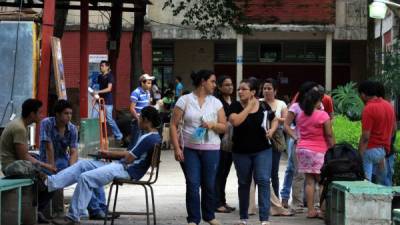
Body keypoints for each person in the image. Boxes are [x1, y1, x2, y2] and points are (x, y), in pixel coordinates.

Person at [49, 106, 162, 225]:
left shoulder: (149, 138)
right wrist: (108, 155)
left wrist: (108, 155)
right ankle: (49, 183)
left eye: (140, 118)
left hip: (126, 170)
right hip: (123, 166)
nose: (137, 120)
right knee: (83, 164)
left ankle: (73, 217)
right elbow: (130, 155)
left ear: (147, 120)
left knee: (85, 178)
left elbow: (128, 158)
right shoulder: (151, 136)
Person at [170, 70, 226, 225]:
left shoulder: (216, 102)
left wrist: (213, 124)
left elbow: (224, 127)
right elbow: (173, 125)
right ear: (203, 82)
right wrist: (176, 148)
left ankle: (209, 216)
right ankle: (193, 219)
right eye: (213, 81)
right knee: (193, 184)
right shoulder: (184, 100)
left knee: (209, 184)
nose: (215, 85)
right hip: (190, 149)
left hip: (212, 149)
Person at [39, 99, 108, 220]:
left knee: (91, 171)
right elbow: (48, 147)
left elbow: (74, 151)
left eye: (70, 113)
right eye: (66, 113)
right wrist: (51, 166)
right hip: (47, 160)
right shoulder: (47, 123)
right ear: (57, 114)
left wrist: (72, 168)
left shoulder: (72, 129)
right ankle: (95, 210)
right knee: (81, 173)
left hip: (64, 160)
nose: (69, 116)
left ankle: (101, 208)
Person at [229, 78, 278, 225]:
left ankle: (264, 219)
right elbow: (236, 121)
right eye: (239, 89)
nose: (240, 91)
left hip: (262, 150)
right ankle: (244, 217)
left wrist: (272, 130)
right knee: (244, 182)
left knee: (263, 180)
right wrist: (248, 108)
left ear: (253, 92)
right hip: (240, 151)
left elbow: (274, 119)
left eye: (244, 89)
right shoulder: (235, 106)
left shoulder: (263, 105)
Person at [0, 99, 56, 223]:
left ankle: (36, 210)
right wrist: (46, 166)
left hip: (16, 163)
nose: (42, 116)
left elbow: (24, 155)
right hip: (11, 166)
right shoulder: (19, 128)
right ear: (32, 114)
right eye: (40, 113)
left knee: (45, 172)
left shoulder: (20, 125)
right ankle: (36, 211)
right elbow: (24, 157)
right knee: (51, 180)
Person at [285, 88, 335, 218]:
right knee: (322, 181)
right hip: (318, 151)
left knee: (309, 181)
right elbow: (329, 134)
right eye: (320, 101)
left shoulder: (301, 115)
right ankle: (323, 210)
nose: (321, 104)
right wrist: (333, 148)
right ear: (316, 101)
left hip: (302, 150)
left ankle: (311, 210)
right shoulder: (323, 115)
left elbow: (296, 129)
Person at [280, 81, 319, 210]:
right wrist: (295, 136)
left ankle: (315, 203)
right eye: (313, 91)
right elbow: (286, 125)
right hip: (300, 144)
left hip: (317, 145)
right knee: (299, 174)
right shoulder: (296, 107)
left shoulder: (319, 106)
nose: (315, 93)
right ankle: (297, 204)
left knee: (317, 174)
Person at [358, 80, 396, 186]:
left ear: (363, 94)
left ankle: (368, 202)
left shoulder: (368, 108)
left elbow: (365, 137)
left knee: (366, 182)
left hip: (370, 149)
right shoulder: (389, 105)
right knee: (381, 183)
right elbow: (394, 129)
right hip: (383, 151)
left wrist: (360, 154)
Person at [260, 78, 288, 198]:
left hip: (276, 138)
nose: (266, 91)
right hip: (260, 138)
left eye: (269, 88)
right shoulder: (257, 102)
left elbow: (286, 119)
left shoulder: (281, 103)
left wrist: (273, 118)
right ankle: (263, 199)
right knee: (261, 173)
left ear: (275, 91)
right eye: (264, 88)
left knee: (274, 172)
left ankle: (276, 198)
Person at [214, 75, 237, 213]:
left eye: (231, 84)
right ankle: (217, 203)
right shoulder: (217, 102)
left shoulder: (233, 102)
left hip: (231, 143)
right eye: (227, 85)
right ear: (220, 87)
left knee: (225, 173)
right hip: (219, 142)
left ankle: (222, 201)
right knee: (219, 173)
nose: (230, 87)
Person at [91, 60, 123, 145]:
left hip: (108, 101)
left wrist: (98, 92)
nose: (101, 67)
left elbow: (109, 89)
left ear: (107, 67)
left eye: (103, 66)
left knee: (109, 119)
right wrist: (94, 97)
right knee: (93, 118)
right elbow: (97, 87)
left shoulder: (110, 76)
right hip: (99, 101)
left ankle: (119, 135)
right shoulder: (99, 76)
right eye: (100, 65)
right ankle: (93, 136)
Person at [129, 73, 154, 149]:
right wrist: (138, 119)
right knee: (134, 142)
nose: (150, 85)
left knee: (142, 141)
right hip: (138, 121)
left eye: (151, 83)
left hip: (145, 121)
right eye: (148, 83)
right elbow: (132, 108)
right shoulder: (136, 92)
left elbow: (148, 105)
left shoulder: (148, 92)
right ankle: (127, 159)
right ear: (142, 83)